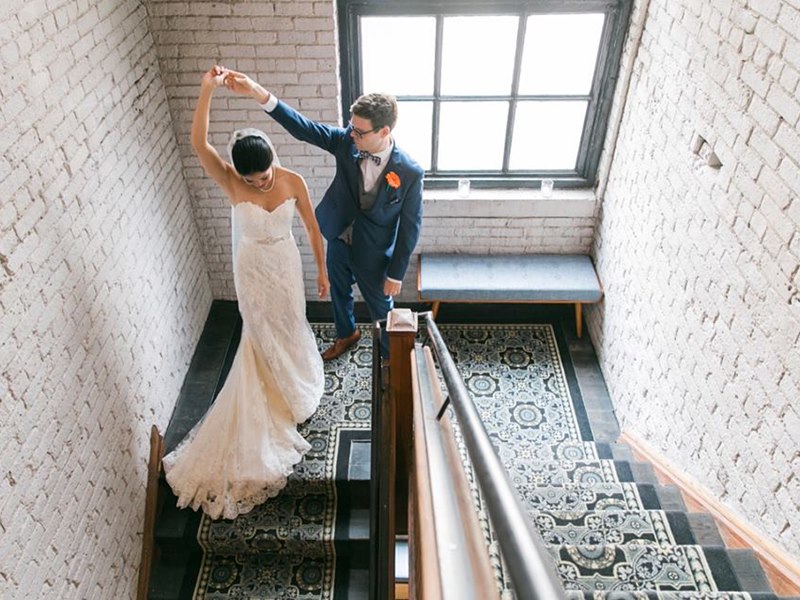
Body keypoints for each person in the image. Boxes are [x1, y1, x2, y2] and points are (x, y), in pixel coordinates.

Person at [161, 66, 330, 520]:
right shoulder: (232, 180)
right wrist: (205, 91)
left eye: (263, 176)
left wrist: (323, 273)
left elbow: (314, 229)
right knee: (259, 332)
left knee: (291, 324)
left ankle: (294, 380)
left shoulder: (293, 180)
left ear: (273, 157)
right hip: (252, 269)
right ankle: (269, 391)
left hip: (286, 265)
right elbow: (200, 144)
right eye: (250, 180)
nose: (259, 184)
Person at [224, 70, 424, 360]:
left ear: (384, 131)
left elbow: (410, 227)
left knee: (382, 308)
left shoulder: (409, 172)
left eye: (359, 131)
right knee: (338, 292)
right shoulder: (346, 142)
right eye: (351, 127)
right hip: (338, 236)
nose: (351, 134)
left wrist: (396, 272)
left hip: (375, 253)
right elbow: (304, 128)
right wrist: (258, 92)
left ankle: (390, 357)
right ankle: (347, 334)